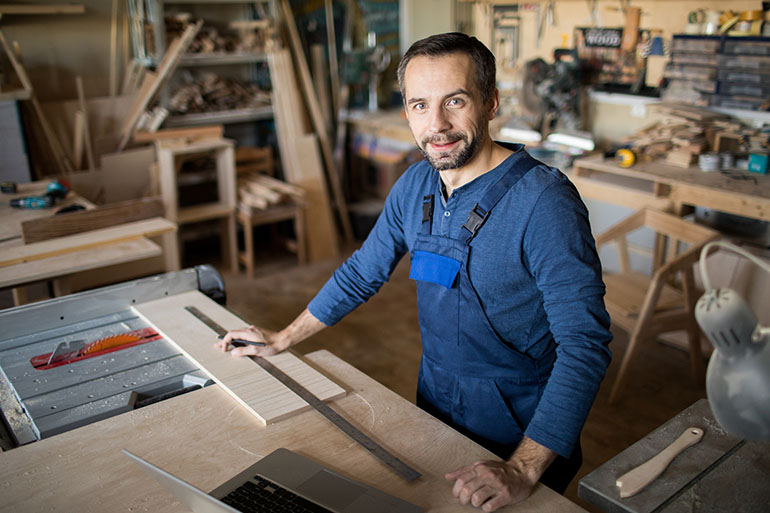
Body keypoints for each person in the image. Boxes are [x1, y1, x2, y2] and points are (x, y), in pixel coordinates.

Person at [217, 32, 612, 512]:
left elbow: (584, 344)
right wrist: (282, 338)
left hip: (522, 423)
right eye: (421, 105)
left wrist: (524, 466)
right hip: (436, 400)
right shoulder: (415, 187)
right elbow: (362, 272)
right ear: (406, 112)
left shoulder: (544, 203)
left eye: (456, 101)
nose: (438, 125)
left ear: (491, 103)